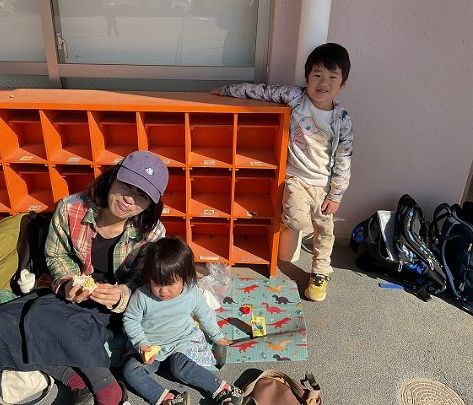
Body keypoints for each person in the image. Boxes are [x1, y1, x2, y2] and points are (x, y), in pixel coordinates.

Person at [0, 150, 169, 405]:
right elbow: (56, 255)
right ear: (113, 178)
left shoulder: (152, 233)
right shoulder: (71, 208)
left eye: (142, 195)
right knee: (4, 320)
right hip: (74, 292)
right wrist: (67, 281)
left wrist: (123, 293)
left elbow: (147, 279)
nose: (129, 199)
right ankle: (77, 383)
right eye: (127, 186)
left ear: (151, 204)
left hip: (115, 306)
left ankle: (107, 389)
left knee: (44, 317)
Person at [212, 43, 353, 302]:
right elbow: (262, 91)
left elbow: (344, 157)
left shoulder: (342, 119)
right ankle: (288, 219)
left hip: (324, 185)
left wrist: (336, 194)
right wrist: (226, 90)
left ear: (342, 84)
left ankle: (321, 273)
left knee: (325, 231)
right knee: (296, 221)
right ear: (307, 78)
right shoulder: (296, 98)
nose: (323, 82)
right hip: (296, 179)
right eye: (317, 75)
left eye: (332, 77)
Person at [122, 237, 243, 405]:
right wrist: (141, 344)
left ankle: (221, 388)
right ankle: (166, 399)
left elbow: (204, 314)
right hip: (150, 347)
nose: (163, 291)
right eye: (157, 283)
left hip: (179, 342)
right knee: (130, 370)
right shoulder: (142, 296)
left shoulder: (191, 294)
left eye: (170, 284)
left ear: (185, 278)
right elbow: (130, 320)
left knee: (180, 367)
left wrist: (217, 336)